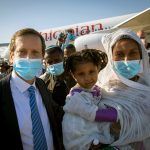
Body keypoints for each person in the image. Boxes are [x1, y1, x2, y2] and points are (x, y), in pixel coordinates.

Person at [63, 29, 150, 150]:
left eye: (133, 53)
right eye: (119, 54)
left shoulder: (147, 91)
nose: (126, 60)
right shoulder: (101, 86)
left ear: (141, 55)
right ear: (111, 56)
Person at [0, 28, 64, 150]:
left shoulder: (41, 84)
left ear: (42, 58)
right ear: (12, 57)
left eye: (35, 52)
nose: (29, 58)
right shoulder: (2, 92)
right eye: (22, 52)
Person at [62, 49, 118, 150]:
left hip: (91, 134)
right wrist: (119, 114)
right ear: (73, 75)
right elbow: (93, 114)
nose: (87, 78)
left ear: (98, 69)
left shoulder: (95, 89)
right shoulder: (75, 98)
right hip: (79, 140)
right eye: (81, 74)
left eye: (91, 72)